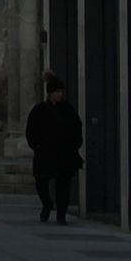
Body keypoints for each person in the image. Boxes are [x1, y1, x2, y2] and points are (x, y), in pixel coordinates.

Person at [25, 73, 83, 225]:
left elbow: (77, 128)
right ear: (50, 93)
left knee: (63, 185)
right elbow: (31, 130)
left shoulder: (68, 110)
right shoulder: (39, 110)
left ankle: (61, 215)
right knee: (41, 182)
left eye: (61, 92)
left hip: (64, 154)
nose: (60, 95)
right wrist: (36, 146)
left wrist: (75, 145)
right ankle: (47, 204)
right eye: (57, 92)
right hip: (45, 153)